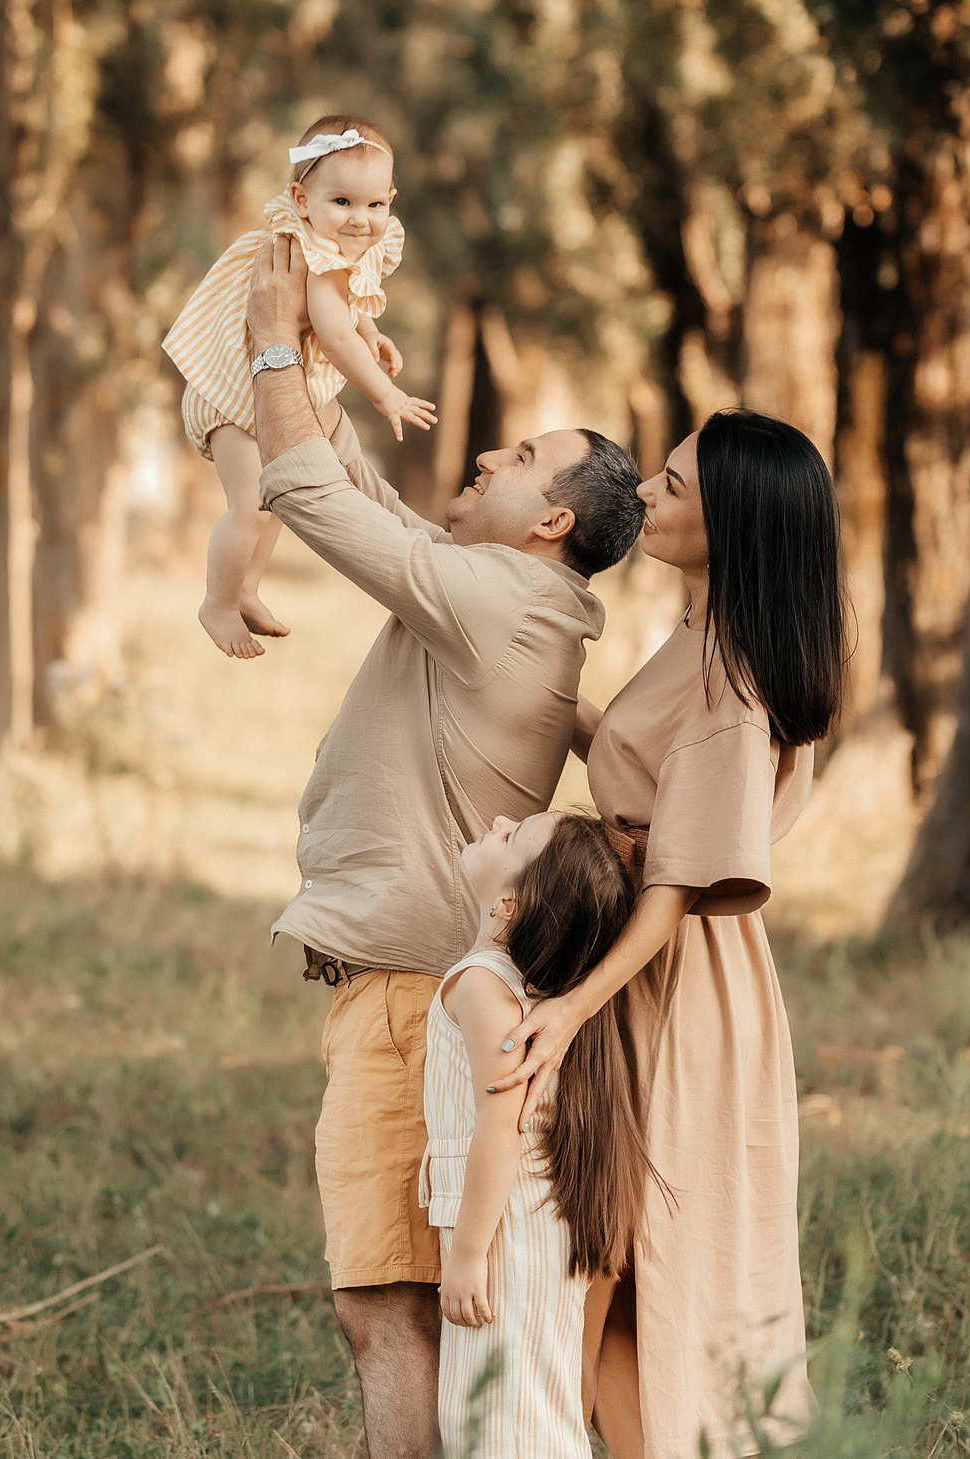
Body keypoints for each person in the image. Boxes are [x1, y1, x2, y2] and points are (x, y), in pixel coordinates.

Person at [240, 234, 645, 1459]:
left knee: (384, 1309)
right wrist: (319, 359)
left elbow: (307, 495)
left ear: (552, 522)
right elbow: (361, 496)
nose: (485, 456)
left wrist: (266, 341)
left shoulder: (499, 601)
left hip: (419, 998)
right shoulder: (496, 588)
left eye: (520, 460)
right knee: (403, 1307)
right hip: (417, 985)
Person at [493, 409, 842, 1458]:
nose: (645, 492)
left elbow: (677, 887)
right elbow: (653, 776)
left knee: (631, 1258)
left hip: (676, 987)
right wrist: (557, 707)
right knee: (608, 1263)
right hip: (642, 961)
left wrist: (566, 1012)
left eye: (675, 488)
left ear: (731, 524)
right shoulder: (695, 635)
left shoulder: (734, 683)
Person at [160, 114, 437, 659]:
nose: (360, 220)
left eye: (375, 205)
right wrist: (385, 393)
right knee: (251, 506)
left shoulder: (339, 241)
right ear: (301, 198)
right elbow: (331, 331)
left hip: (255, 390)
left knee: (279, 495)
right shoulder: (312, 248)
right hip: (232, 394)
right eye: (343, 203)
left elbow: (347, 304)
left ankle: (246, 588)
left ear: (390, 199)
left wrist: (373, 330)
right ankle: (217, 601)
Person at [427, 811, 659, 1458]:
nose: (498, 820)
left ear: (508, 903)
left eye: (510, 836)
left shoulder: (481, 987)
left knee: (506, 1421)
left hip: (504, 1235)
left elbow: (499, 1128)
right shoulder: (520, 987)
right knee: (528, 1408)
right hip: (526, 1225)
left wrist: (469, 1254)